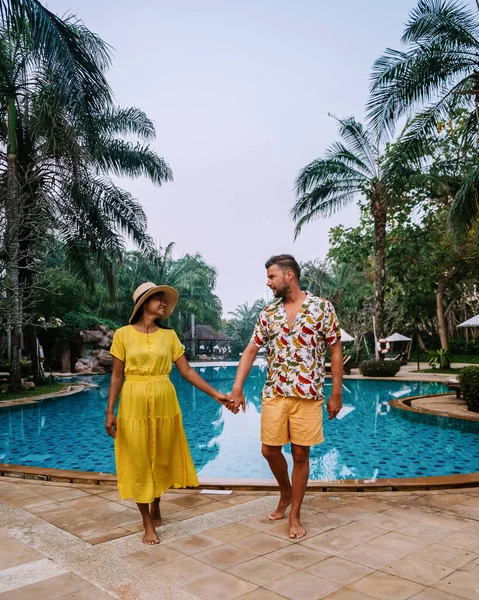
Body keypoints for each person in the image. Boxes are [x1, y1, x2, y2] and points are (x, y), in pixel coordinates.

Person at [106, 282, 231, 545]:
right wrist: (110, 411)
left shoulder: (169, 336)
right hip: (133, 400)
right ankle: (147, 522)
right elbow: (117, 375)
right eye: (158, 299)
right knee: (138, 457)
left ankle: (157, 502)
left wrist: (216, 394)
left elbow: (187, 372)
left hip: (165, 399)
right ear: (143, 304)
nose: (163, 304)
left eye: (164, 300)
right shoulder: (123, 335)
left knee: (160, 454)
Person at [229, 255, 343, 539]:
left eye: (271, 277)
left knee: (300, 454)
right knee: (269, 450)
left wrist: (336, 393)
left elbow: (336, 351)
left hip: (308, 395)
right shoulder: (268, 314)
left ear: (289, 275)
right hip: (275, 392)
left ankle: (294, 514)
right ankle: (285, 491)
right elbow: (251, 351)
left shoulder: (322, 308)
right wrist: (237, 388)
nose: (268, 283)